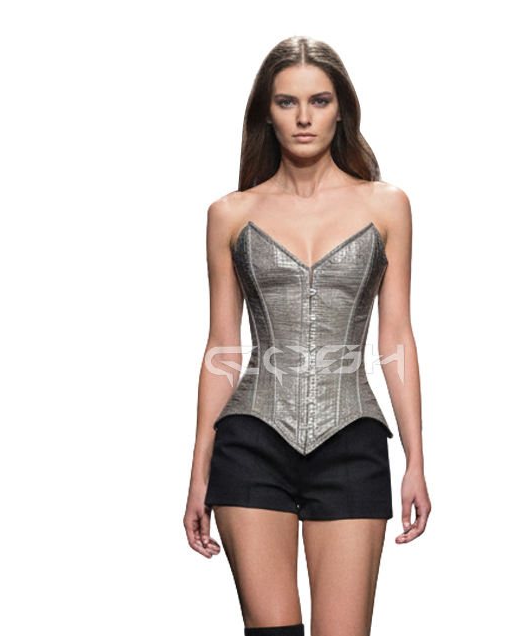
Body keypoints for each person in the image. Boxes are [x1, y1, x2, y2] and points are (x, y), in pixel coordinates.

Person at [184, 35, 431, 636]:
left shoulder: (387, 206)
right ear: (266, 113)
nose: (303, 117)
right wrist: (198, 470)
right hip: (251, 439)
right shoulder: (230, 214)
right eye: (286, 102)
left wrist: (416, 458)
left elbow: (396, 338)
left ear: (341, 109)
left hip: (353, 439)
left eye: (318, 101)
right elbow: (223, 348)